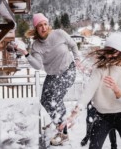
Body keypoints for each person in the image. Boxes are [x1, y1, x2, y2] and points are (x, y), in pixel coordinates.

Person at [16, 13, 81, 146]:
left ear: (48, 25)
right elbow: (38, 66)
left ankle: (63, 133)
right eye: (40, 25)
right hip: (52, 74)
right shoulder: (36, 46)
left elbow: (73, 45)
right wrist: (26, 54)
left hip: (68, 70)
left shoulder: (59, 34)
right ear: (36, 28)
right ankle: (58, 120)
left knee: (56, 99)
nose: (43, 27)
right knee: (45, 100)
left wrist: (78, 59)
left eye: (45, 24)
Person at [69, 33, 121, 149]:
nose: (108, 57)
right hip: (102, 116)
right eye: (106, 52)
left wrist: (117, 90)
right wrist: (76, 110)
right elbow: (89, 89)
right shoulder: (100, 68)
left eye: (111, 52)